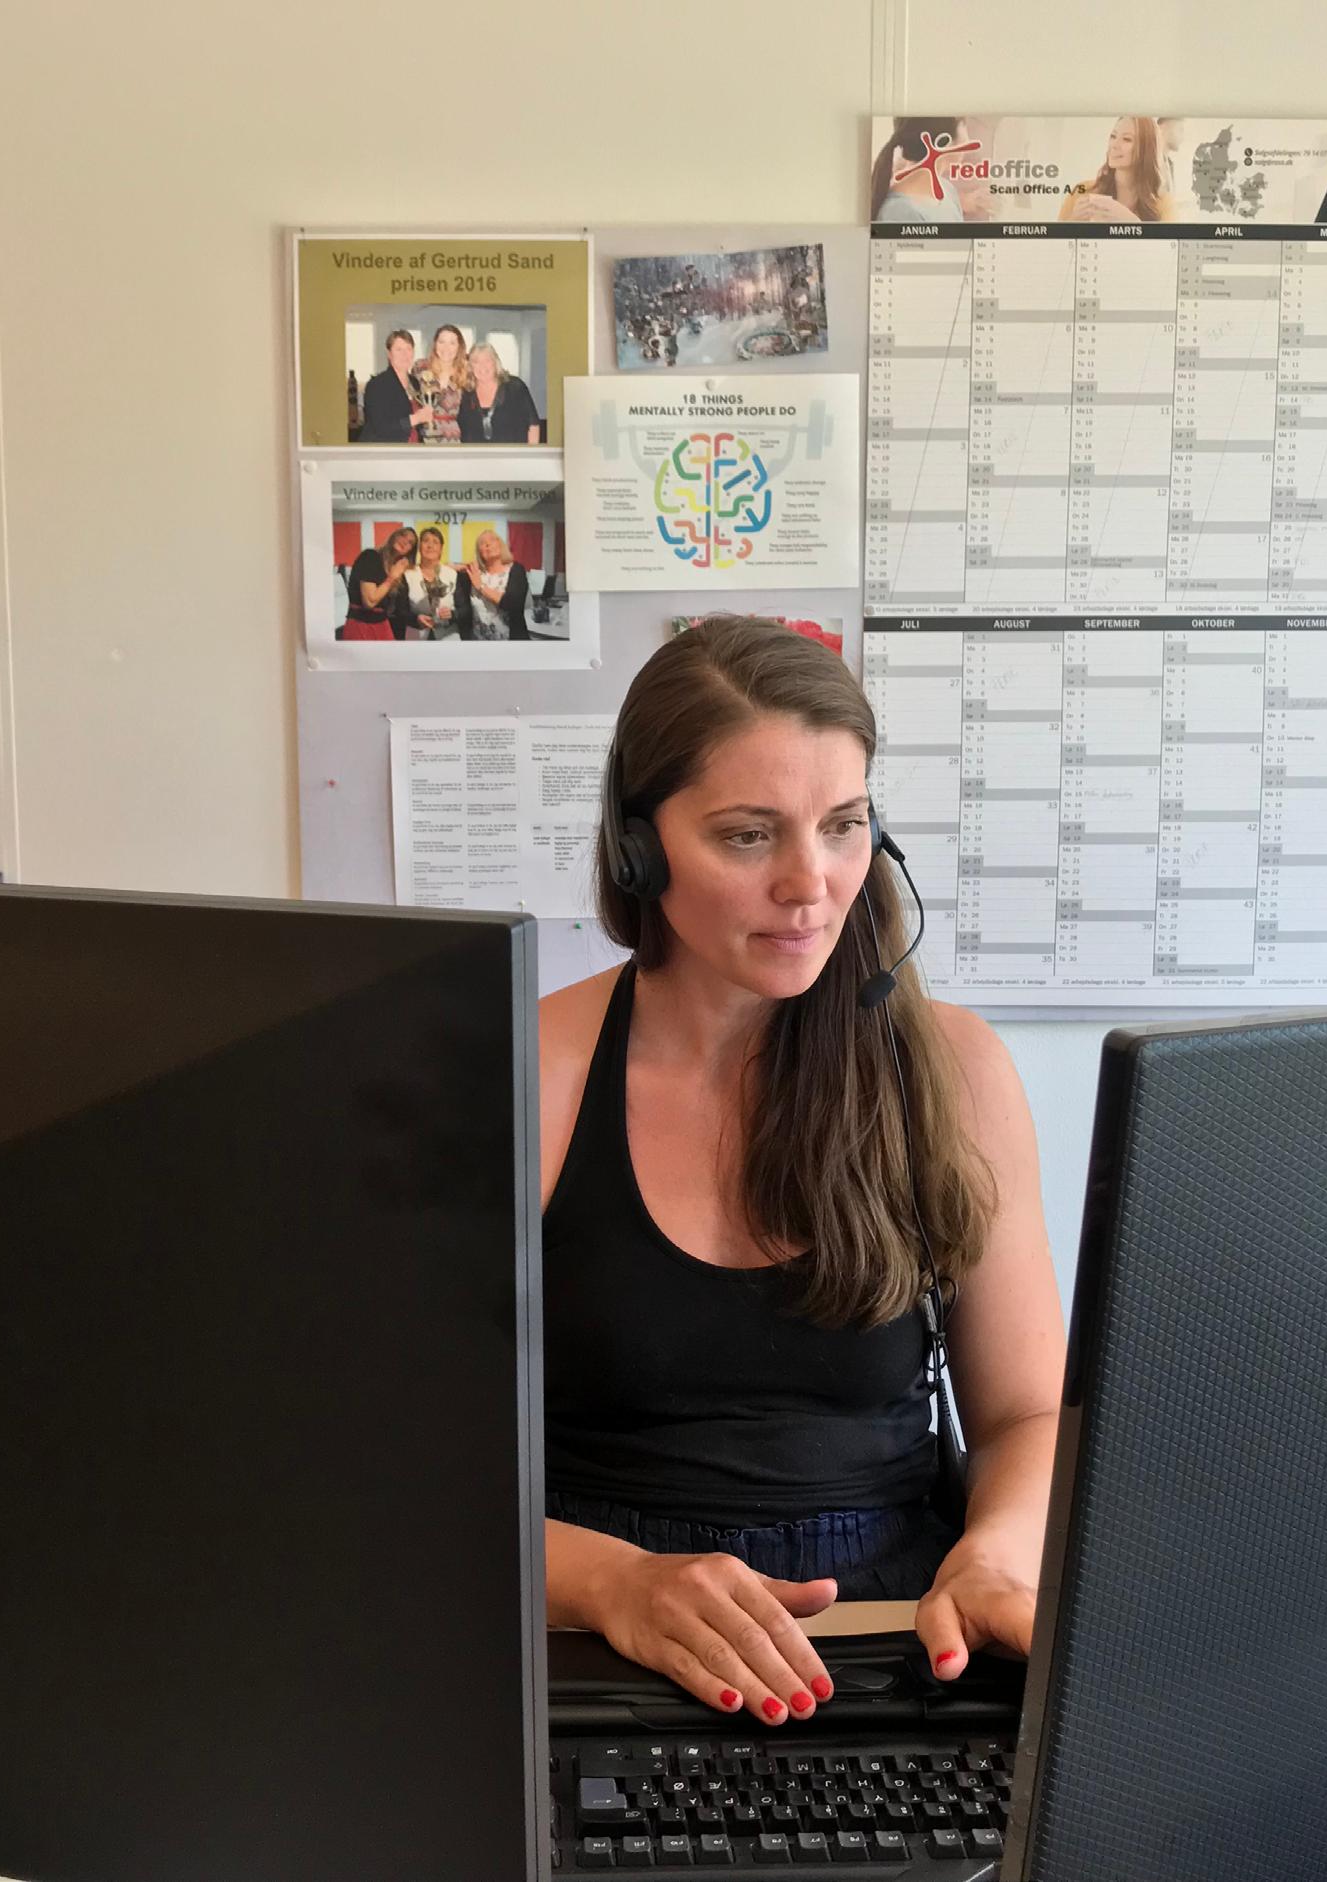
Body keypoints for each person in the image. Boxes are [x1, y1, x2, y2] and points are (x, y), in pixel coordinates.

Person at [541, 616, 1064, 1727]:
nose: (811, 884)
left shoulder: (955, 1071)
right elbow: (403, 1468)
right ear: (638, 850)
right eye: (748, 837)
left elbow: (1025, 1413)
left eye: (843, 826)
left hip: (899, 1627)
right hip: (599, 1630)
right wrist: (608, 1581)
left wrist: (996, 1556)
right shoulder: (527, 1070)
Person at [1059, 116, 1172, 223]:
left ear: (1146, 148)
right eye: (1113, 136)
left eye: (1126, 139)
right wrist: (1073, 223)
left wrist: (1134, 224)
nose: (1114, 145)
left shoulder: (1164, 204)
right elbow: (1055, 236)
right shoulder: (1081, 191)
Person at [870, 118, 968, 225]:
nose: (968, 140)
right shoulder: (899, 212)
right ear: (944, 141)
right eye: (964, 125)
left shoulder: (948, 189)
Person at [338, 526, 416, 641]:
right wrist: (391, 578)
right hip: (361, 625)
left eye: (410, 542)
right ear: (394, 536)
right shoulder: (370, 556)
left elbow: (401, 610)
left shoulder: (397, 571)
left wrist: (418, 619)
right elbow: (369, 602)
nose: (405, 542)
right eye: (403, 535)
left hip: (383, 626)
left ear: (410, 551)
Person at [360, 330, 434, 445]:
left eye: (408, 349)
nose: (405, 354)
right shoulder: (376, 385)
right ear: (389, 354)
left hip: (412, 447)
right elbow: (381, 427)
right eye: (399, 349)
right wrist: (415, 419)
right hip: (384, 450)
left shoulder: (415, 382)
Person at [458, 343, 541, 445]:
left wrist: (530, 453)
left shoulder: (515, 387)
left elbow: (533, 425)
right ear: (470, 366)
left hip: (513, 454)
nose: (482, 366)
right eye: (476, 362)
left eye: (487, 360)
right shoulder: (466, 393)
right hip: (476, 454)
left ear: (495, 362)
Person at [455, 529, 529, 639]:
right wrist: (455, 566)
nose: (488, 544)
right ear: (479, 552)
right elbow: (438, 567)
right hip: (478, 643)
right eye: (482, 543)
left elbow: (513, 604)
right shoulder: (473, 574)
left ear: (500, 544)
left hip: (510, 642)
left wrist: (481, 587)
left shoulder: (516, 570)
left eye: (492, 540)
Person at [410, 323, 470, 445]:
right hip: (423, 437)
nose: (446, 348)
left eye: (452, 343)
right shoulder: (420, 367)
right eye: (441, 342)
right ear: (435, 344)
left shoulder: (466, 373)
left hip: (454, 440)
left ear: (459, 347)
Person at [404, 526, 459, 640]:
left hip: (448, 637)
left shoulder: (452, 574)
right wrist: (416, 619)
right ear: (419, 547)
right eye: (425, 541)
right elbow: (400, 611)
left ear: (441, 549)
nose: (430, 545)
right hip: (417, 637)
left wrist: (452, 614)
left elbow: (464, 609)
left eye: (435, 542)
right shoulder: (407, 574)